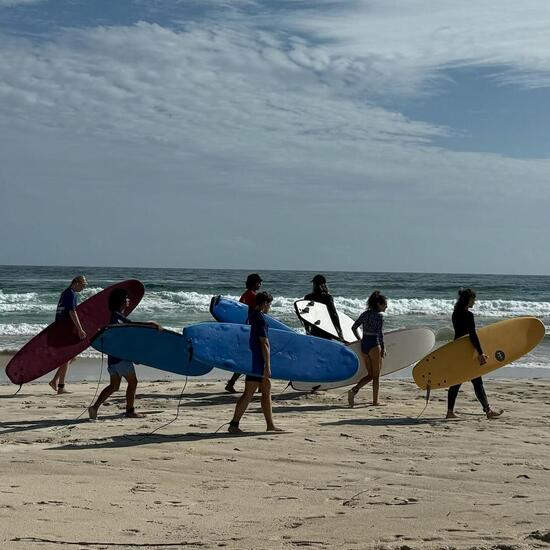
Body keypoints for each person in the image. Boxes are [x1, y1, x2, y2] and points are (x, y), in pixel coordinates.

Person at [88, 288, 161, 420]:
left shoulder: (115, 316)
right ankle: (130, 411)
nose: (129, 300)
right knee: (133, 382)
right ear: (122, 301)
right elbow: (132, 326)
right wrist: (150, 324)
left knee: (114, 386)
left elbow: (122, 337)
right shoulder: (117, 316)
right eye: (126, 298)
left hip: (113, 359)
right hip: (120, 358)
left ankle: (94, 408)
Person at [228, 291, 282, 434]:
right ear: (264, 304)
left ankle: (237, 424)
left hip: (253, 360)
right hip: (259, 362)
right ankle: (236, 425)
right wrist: (267, 366)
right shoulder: (261, 319)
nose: (270, 307)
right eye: (269, 304)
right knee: (255, 393)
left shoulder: (251, 316)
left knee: (260, 391)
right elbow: (264, 343)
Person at [446, 288, 503, 420]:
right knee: (477, 382)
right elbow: (472, 336)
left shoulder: (455, 314)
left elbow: (460, 335)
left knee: (457, 381)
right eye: (473, 299)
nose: (475, 302)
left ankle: (450, 412)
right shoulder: (468, 315)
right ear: (468, 299)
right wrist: (480, 353)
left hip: (457, 350)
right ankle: (488, 411)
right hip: (467, 351)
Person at [347, 290, 387, 408]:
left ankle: (353, 391)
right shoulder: (379, 316)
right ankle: (375, 401)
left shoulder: (365, 314)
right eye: (385, 304)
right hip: (374, 345)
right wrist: (383, 348)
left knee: (370, 375)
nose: (386, 306)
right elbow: (380, 334)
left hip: (364, 346)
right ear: (379, 304)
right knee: (376, 376)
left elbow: (354, 327)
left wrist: (360, 339)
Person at [49, 275, 88, 394]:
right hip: (64, 330)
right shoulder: (71, 293)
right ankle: (61, 387)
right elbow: (72, 312)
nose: (83, 287)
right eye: (83, 285)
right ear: (76, 283)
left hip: (61, 328)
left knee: (72, 357)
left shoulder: (65, 293)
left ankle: (54, 381)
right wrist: (80, 329)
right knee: (67, 357)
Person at [225, 273, 263, 394]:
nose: (260, 284)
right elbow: (258, 312)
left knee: (247, 358)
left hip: (245, 329)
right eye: (259, 282)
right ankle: (260, 386)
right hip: (252, 330)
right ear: (254, 283)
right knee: (255, 357)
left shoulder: (245, 295)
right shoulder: (252, 295)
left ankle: (232, 383)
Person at [303, 274, 344, 341]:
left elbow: (305, 315)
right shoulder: (327, 297)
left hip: (314, 328)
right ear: (324, 284)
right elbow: (334, 314)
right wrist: (339, 330)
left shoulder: (308, 297)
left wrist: (307, 330)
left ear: (314, 284)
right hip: (326, 328)